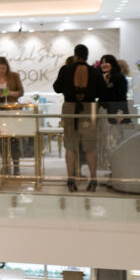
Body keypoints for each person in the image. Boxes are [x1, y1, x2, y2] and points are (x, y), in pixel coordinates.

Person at [53, 44, 101, 192]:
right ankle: (93, 180)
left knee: (70, 146)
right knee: (90, 147)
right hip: (89, 109)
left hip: (69, 108)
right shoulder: (94, 71)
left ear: (75, 55)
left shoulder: (65, 70)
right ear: (87, 55)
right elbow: (101, 91)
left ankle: (71, 180)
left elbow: (57, 88)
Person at [0, 57, 25, 175]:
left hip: (12, 110)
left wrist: (8, 93)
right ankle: (5, 165)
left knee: (14, 139)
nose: (1, 71)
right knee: (1, 139)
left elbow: (21, 92)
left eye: (3, 68)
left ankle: (16, 165)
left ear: (7, 67)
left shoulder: (14, 76)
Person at [98, 55, 129, 120]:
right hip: (103, 111)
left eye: (106, 62)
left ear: (112, 64)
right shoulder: (101, 78)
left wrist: (120, 112)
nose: (104, 64)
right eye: (102, 63)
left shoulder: (120, 78)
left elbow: (122, 96)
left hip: (116, 113)